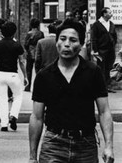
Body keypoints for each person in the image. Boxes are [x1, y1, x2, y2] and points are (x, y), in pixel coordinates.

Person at [29, 18, 114, 163]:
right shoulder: (44, 76)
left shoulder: (93, 72)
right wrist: (32, 157)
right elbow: (37, 117)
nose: (67, 44)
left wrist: (109, 146)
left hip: (86, 145)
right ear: (56, 42)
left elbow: (104, 111)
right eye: (63, 39)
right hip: (53, 145)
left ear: (81, 45)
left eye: (73, 40)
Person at [0, 21, 28, 132]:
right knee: (18, 96)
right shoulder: (17, 45)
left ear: (2, 32)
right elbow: (21, 61)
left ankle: (4, 124)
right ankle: (13, 115)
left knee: (2, 99)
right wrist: (25, 76)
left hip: (0, 74)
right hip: (13, 74)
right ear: (14, 33)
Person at [91, 7, 117, 93]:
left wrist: (113, 44)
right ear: (104, 14)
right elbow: (93, 38)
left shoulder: (111, 24)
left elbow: (114, 36)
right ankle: (101, 88)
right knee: (101, 68)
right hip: (101, 51)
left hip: (110, 50)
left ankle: (107, 86)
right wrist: (96, 50)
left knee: (109, 68)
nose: (111, 14)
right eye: (109, 13)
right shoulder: (96, 25)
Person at [24, 18, 44, 91]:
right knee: (38, 71)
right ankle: (39, 87)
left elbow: (25, 44)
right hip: (38, 53)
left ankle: (27, 87)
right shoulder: (41, 33)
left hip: (30, 53)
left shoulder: (29, 33)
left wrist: (28, 50)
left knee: (28, 70)